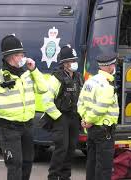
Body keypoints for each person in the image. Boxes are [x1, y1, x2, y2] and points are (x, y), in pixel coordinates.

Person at [0, 34, 48, 180]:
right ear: (9, 57)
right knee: (14, 164)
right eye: (19, 55)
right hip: (9, 128)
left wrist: (34, 69)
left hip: (27, 126)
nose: (22, 57)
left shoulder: (27, 75)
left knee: (27, 162)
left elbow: (43, 88)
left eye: (23, 54)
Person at [44, 45, 83, 180]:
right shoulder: (56, 78)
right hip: (61, 117)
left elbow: (81, 98)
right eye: (71, 61)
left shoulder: (78, 77)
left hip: (74, 117)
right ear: (65, 63)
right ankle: (53, 176)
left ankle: (65, 176)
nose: (74, 63)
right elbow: (46, 101)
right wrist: (58, 117)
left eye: (74, 60)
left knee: (71, 148)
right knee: (61, 148)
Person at [78, 54, 119, 180]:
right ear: (109, 66)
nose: (114, 67)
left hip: (92, 130)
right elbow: (101, 107)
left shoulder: (90, 81)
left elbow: (80, 102)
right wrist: (89, 120)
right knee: (104, 167)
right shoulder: (107, 84)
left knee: (92, 163)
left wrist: (85, 119)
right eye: (114, 65)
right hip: (103, 130)